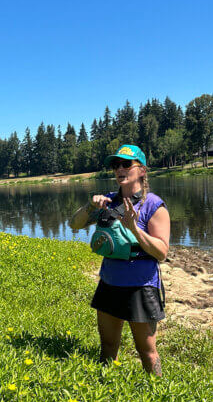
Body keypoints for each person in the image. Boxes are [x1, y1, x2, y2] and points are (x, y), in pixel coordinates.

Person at [69, 144, 170, 375]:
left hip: (141, 286)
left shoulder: (153, 205)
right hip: (110, 283)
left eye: (126, 164)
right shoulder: (108, 202)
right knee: (108, 346)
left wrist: (135, 229)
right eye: (116, 165)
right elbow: (74, 225)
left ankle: (157, 394)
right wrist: (89, 206)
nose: (120, 169)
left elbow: (162, 252)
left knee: (146, 351)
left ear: (142, 170)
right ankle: (106, 388)